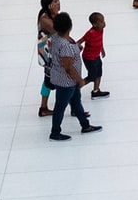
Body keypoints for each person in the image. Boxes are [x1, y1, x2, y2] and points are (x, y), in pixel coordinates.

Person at [44, 11, 102, 140]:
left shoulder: (57, 38)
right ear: (69, 26)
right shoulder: (65, 45)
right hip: (66, 82)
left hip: (64, 80)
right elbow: (68, 67)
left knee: (76, 102)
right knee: (60, 107)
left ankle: (85, 125)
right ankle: (55, 132)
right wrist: (79, 80)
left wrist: (76, 48)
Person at [78, 12, 107, 98]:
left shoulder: (101, 30)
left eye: (104, 20)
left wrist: (102, 49)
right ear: (94, 24)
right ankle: (76, 87)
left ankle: (96, 91)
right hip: (89, 58)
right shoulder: (90, 33)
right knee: (92, 76)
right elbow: (81, 40)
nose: (104, 23)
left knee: (99, 73)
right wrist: (75, 46)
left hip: (96, 56)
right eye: (101, 21)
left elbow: (100, 40)